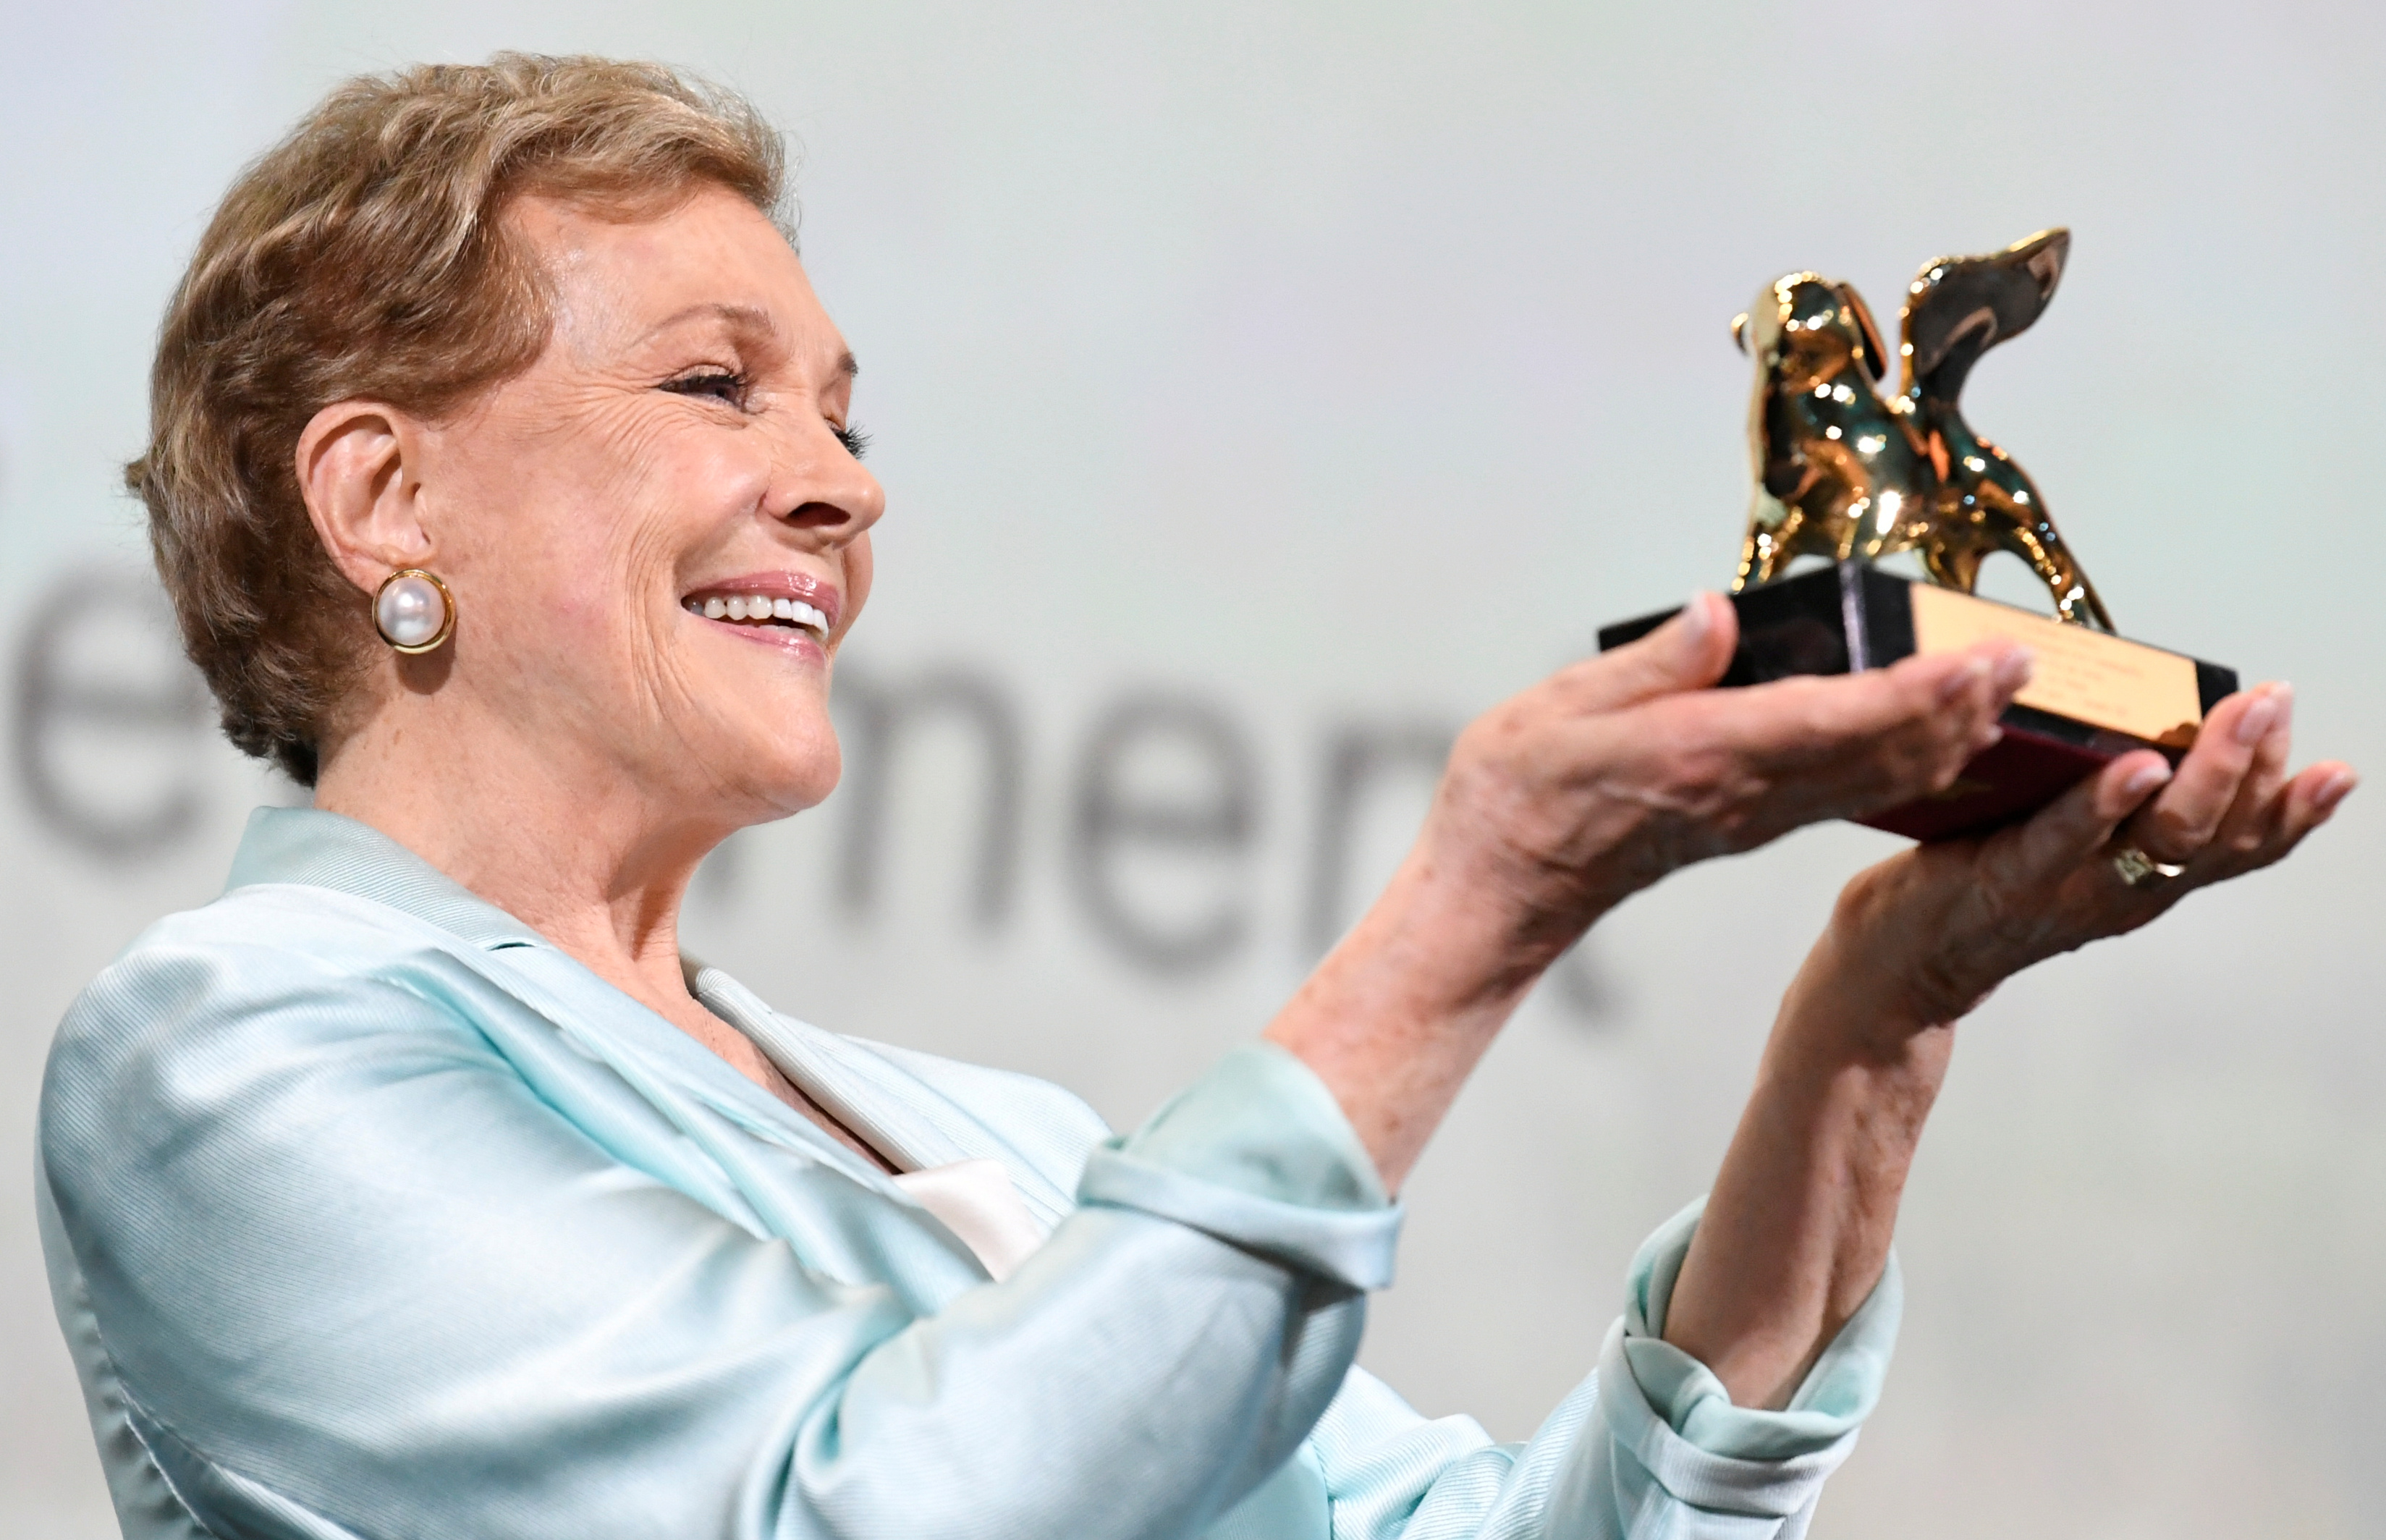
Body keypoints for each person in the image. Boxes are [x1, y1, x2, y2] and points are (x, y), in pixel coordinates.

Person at [35, 54, 2353, 1540]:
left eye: (847, 412)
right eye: (716, 385)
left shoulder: (1012, 1143)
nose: (834, 485)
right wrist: (1482, 901)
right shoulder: (225, 1053)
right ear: (377, 497)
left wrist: (1875, 1019)